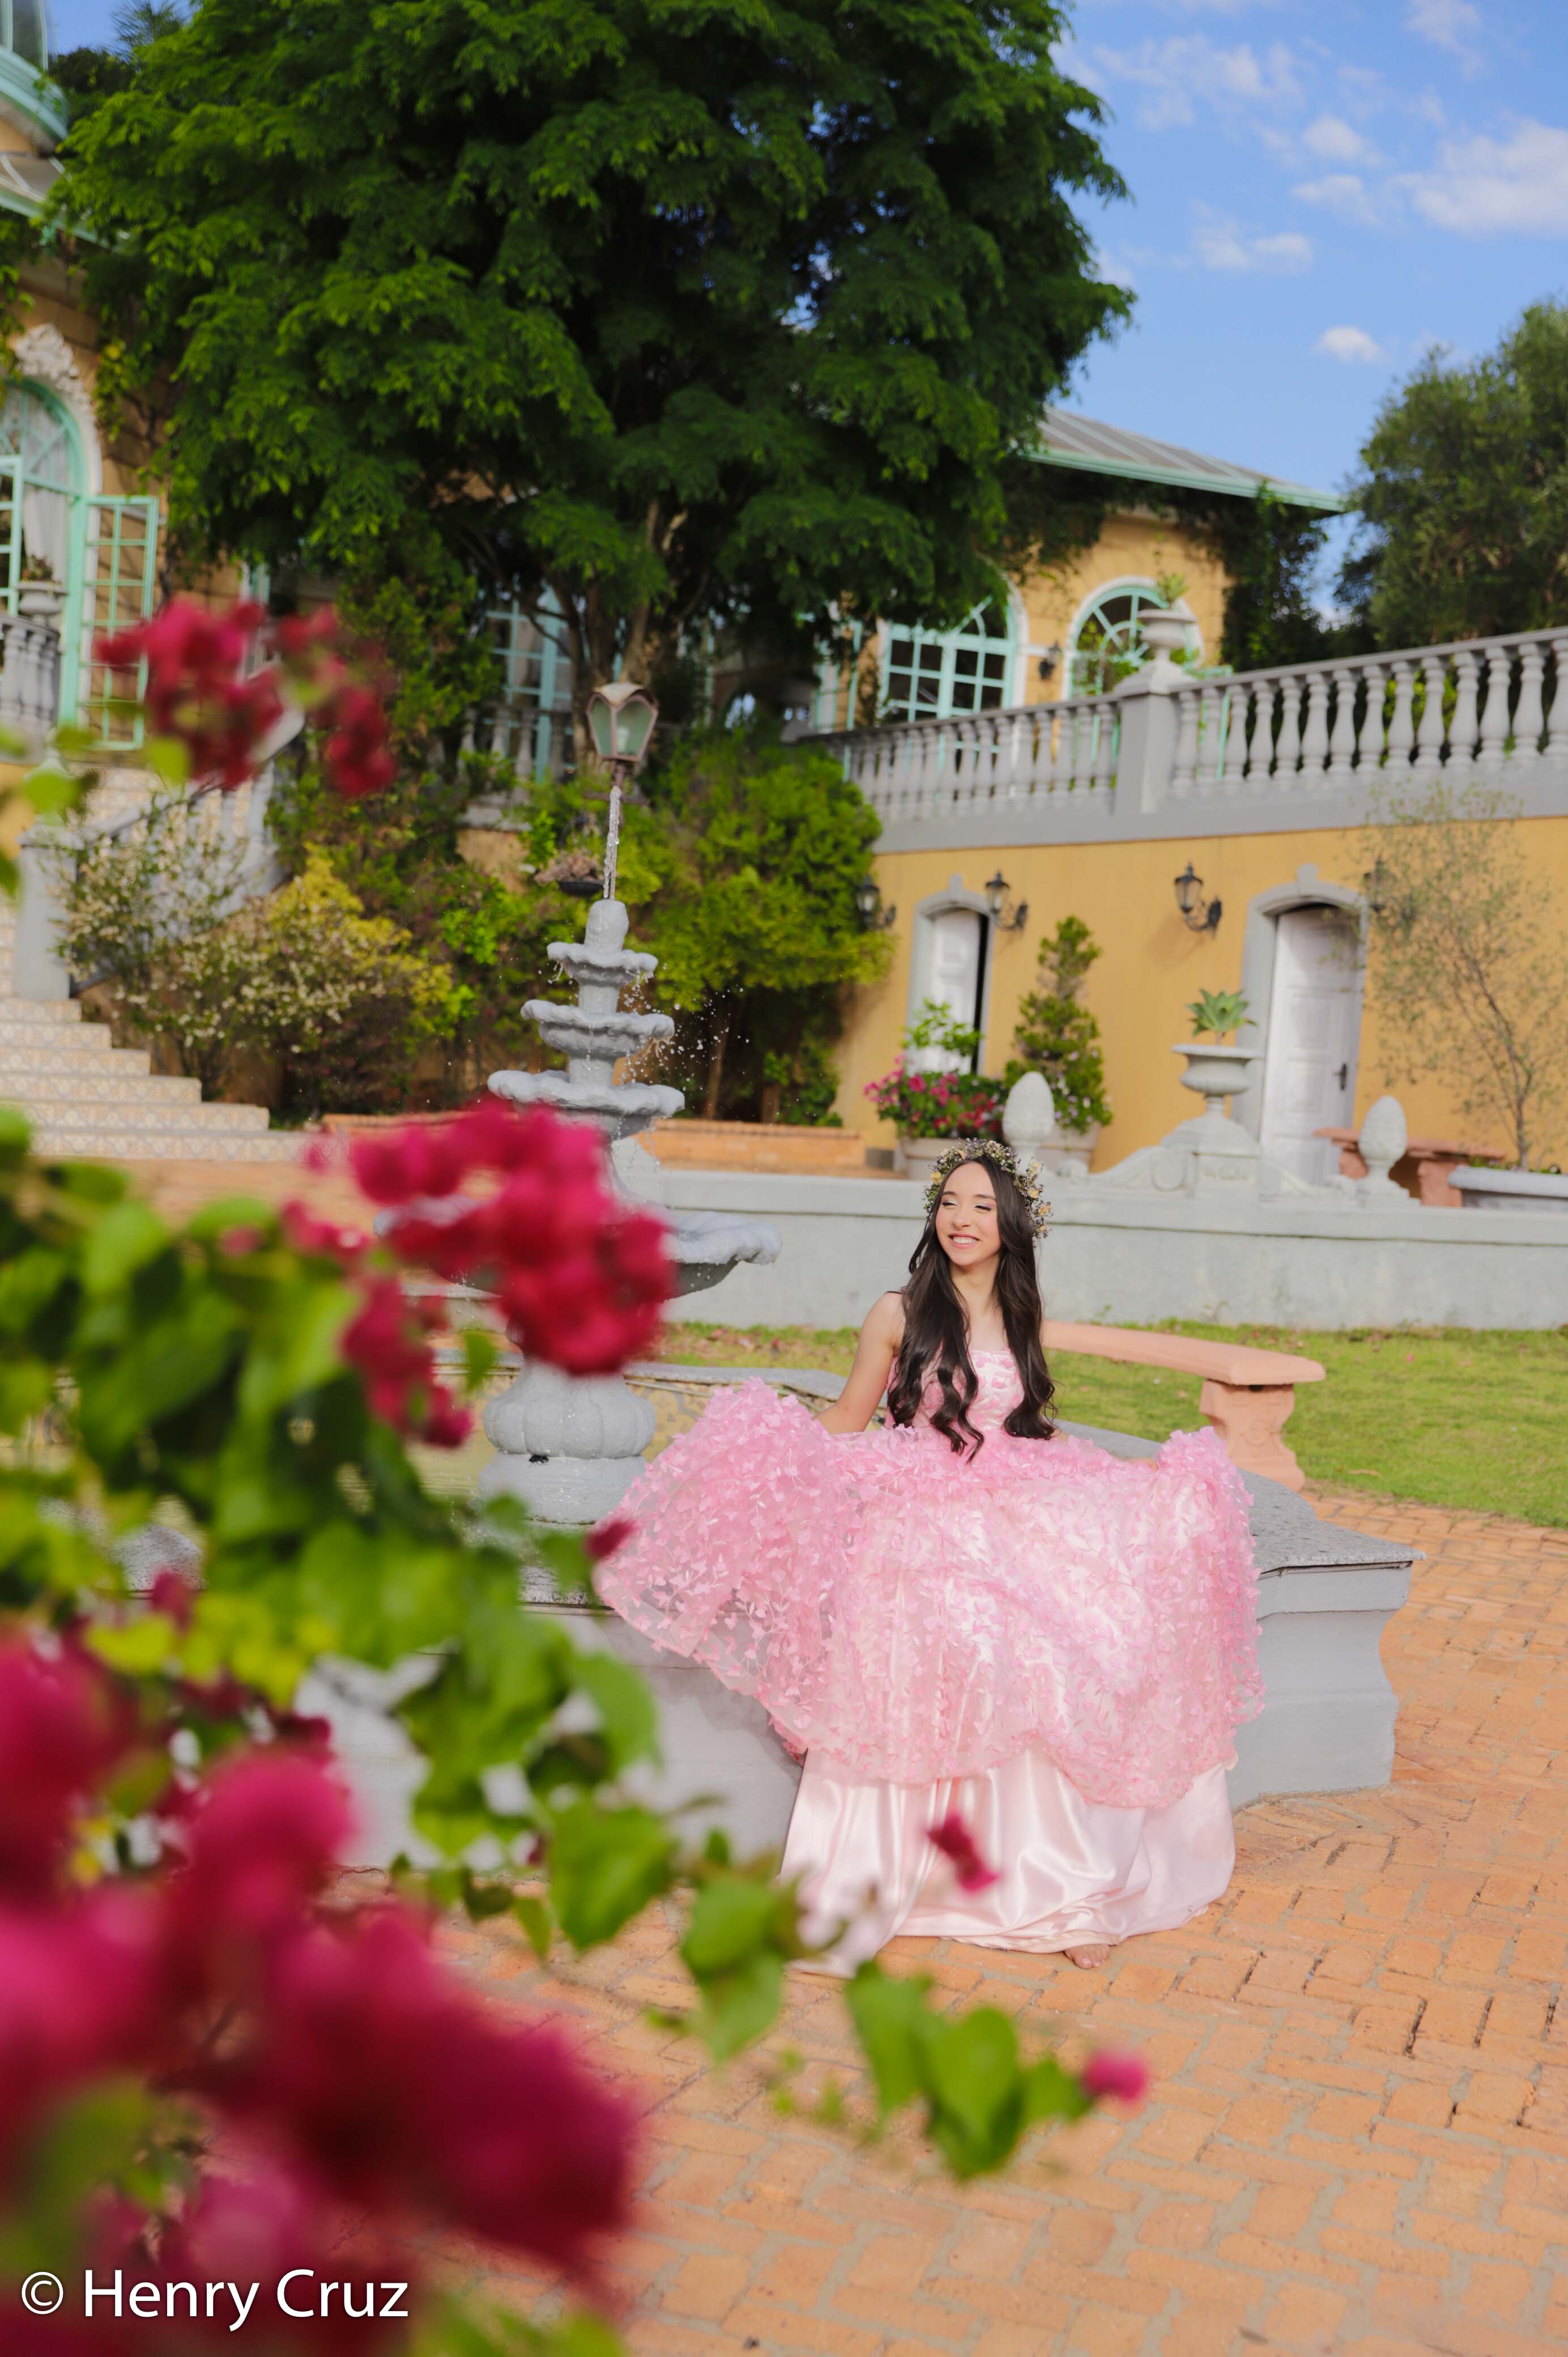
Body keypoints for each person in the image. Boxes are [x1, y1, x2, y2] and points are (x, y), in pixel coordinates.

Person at [596, 1139, 1261, 1972]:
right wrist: (770, 1452)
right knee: (966, 1628)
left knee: (1097, 1624)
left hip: (1009, 1496)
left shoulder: (1021, 1315)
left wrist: (1118, 1483)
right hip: (918, 1502)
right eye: (950, 1203)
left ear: (1012, 1224)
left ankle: (1065, 1885)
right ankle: (923, 1876)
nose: (961, 1219)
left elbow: (1023, 1427)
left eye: (981, 1206)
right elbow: (850, 1417)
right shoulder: (898, 1311)